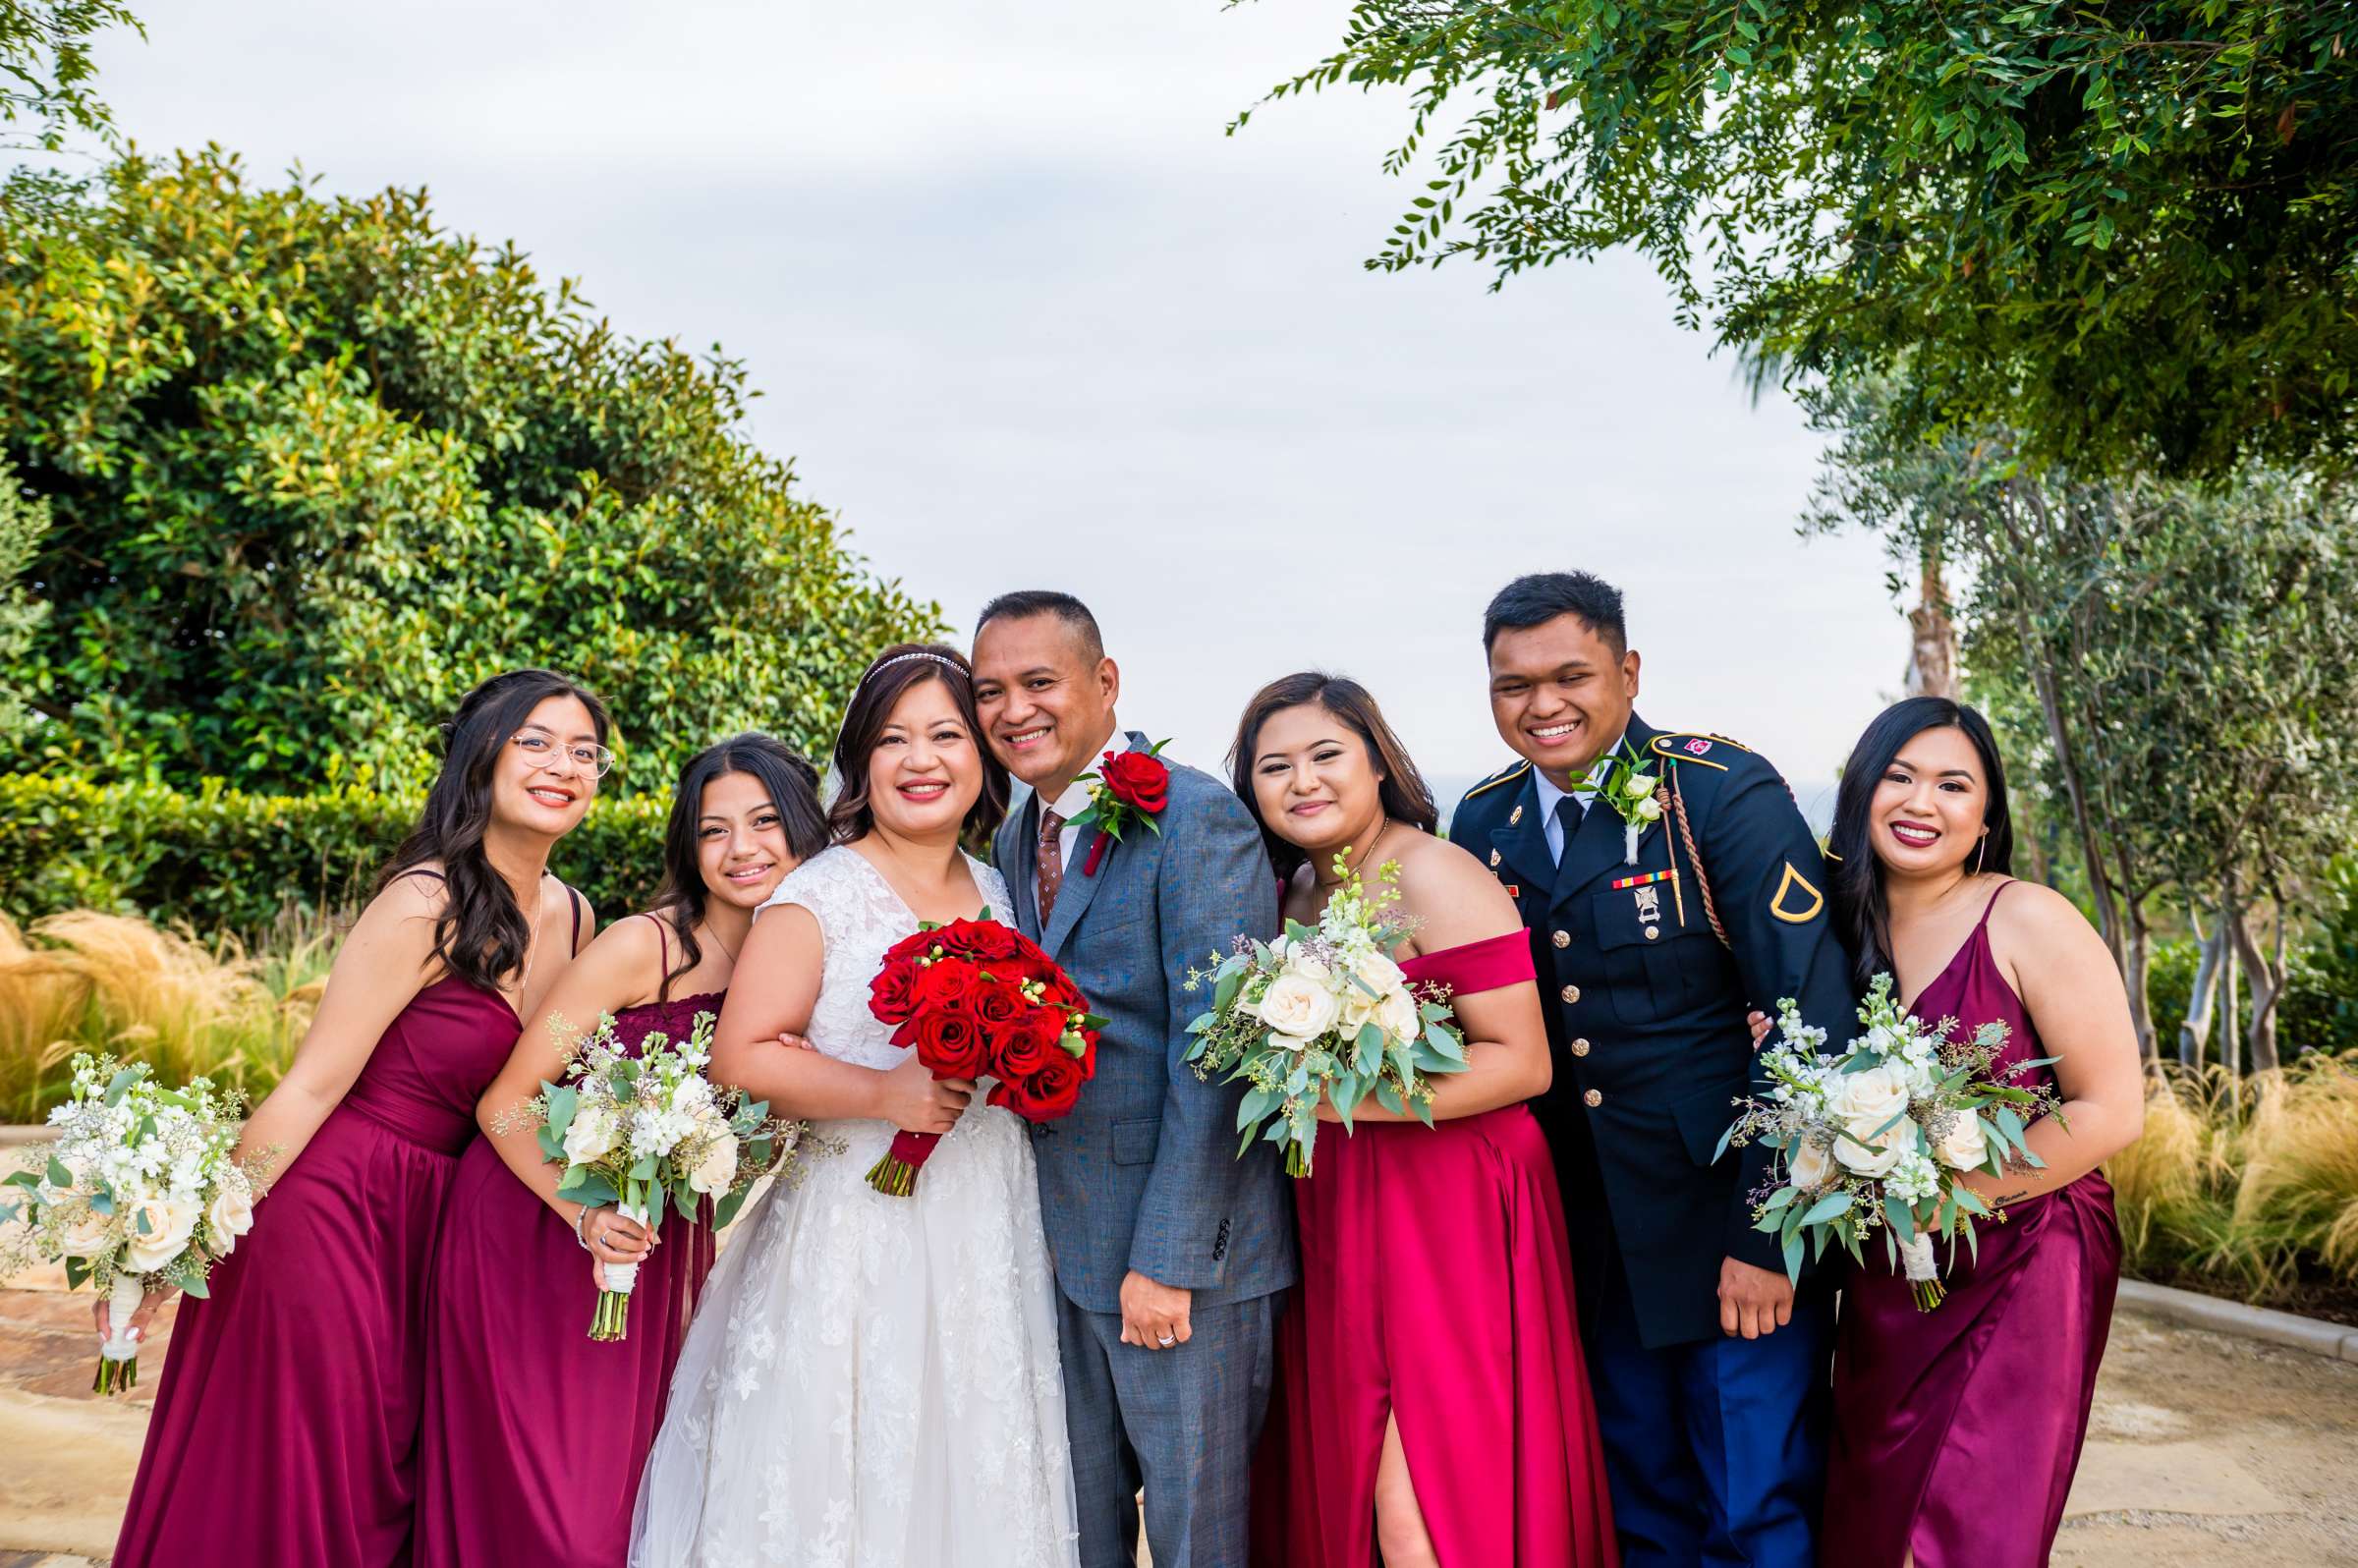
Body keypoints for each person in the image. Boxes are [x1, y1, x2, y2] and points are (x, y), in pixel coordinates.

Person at [112, 669, 609, 1568]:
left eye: (584, 752)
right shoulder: (428, 900)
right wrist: (187, 1240)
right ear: (483, 755)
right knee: (317, 1472)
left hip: (444, 1227)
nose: (562, 766)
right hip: (336, 1210)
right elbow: (310, 1085)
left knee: (391, 1469)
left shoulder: (575, 917)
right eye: (536, 742)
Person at [629, 644, 1079, 1568]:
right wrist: (884, 1091)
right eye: (893, 739)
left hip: (984, 1224)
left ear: (982, 756)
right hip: (856, 1232)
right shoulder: (818, 893)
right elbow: (740, 1054)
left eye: (947, 735)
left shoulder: (999, 888)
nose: (922, 760)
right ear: (860, 765)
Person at [1448, 573, 1853, 1568]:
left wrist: (1768, 1236)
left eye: (1571, 675)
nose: (1542, 705)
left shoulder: (1718, 792)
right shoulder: (1483, 824)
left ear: (1627, 673)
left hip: (1725, 1223)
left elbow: (1813, 1022)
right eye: (1512, 685)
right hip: (1584, 1237)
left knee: (1752, 1505)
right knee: (1636, 1505)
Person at [416, 733, 830, 1567]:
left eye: (763, 823)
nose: (740, 850)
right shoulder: (644, 948)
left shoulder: (816, 964)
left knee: (621, 1508)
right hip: (534, 1228)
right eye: (714, 830)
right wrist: (583, 1213)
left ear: (803, 831)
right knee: (552, 1515)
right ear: (689, 845)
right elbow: (506, 1100)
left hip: (653, 1245)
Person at [1233, 673, 1618, 1568]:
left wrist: (1336, 1100)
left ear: (1378, 763)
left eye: (1326, 755)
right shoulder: (1293, 892)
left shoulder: (1435, 870)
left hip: (1449, 1206)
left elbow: (1522, 1061)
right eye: (1274, 766)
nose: (1303, 781)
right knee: (1358, 1474)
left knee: (1422, 1497)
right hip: (1340, 1205)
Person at [974, 590, 1293, 1568]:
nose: (1012, 711)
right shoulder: (1008, 835)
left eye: (1039, 683)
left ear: (1104, 683)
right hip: (1053, 1249)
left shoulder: (1196, 817)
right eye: (991, 691)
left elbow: (1217, 1055)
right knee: (1078, 1528)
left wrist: (1168, 1260)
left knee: (1198, 1535)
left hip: (1181, 1262)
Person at [1818, 697, 2142, 1567]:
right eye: (1901, 776)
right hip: (1890, 1272)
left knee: (1970, 1521)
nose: (1923, 803)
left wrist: (1951, 1195)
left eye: (1953, 785)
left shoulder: (2028, 917)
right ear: (1862, 789)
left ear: (1985, 816)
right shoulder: (1833, 929)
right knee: (1870, 1514)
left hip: (2030, 1254)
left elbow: (2111, 1107)